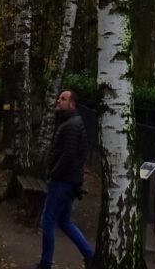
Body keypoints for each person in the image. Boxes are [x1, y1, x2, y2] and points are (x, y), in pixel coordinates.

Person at [40, 88, 94, 269]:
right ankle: (89, 254)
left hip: (63, 181)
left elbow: (69, 155)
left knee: (47, 221)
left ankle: (46, 263)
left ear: (72, 104)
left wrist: (54, 173)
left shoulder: (71, 125)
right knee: (63, 221)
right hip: (69, 181)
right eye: (59, 98)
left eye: (63, 99)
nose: (58, 100)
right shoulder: (71, 122)